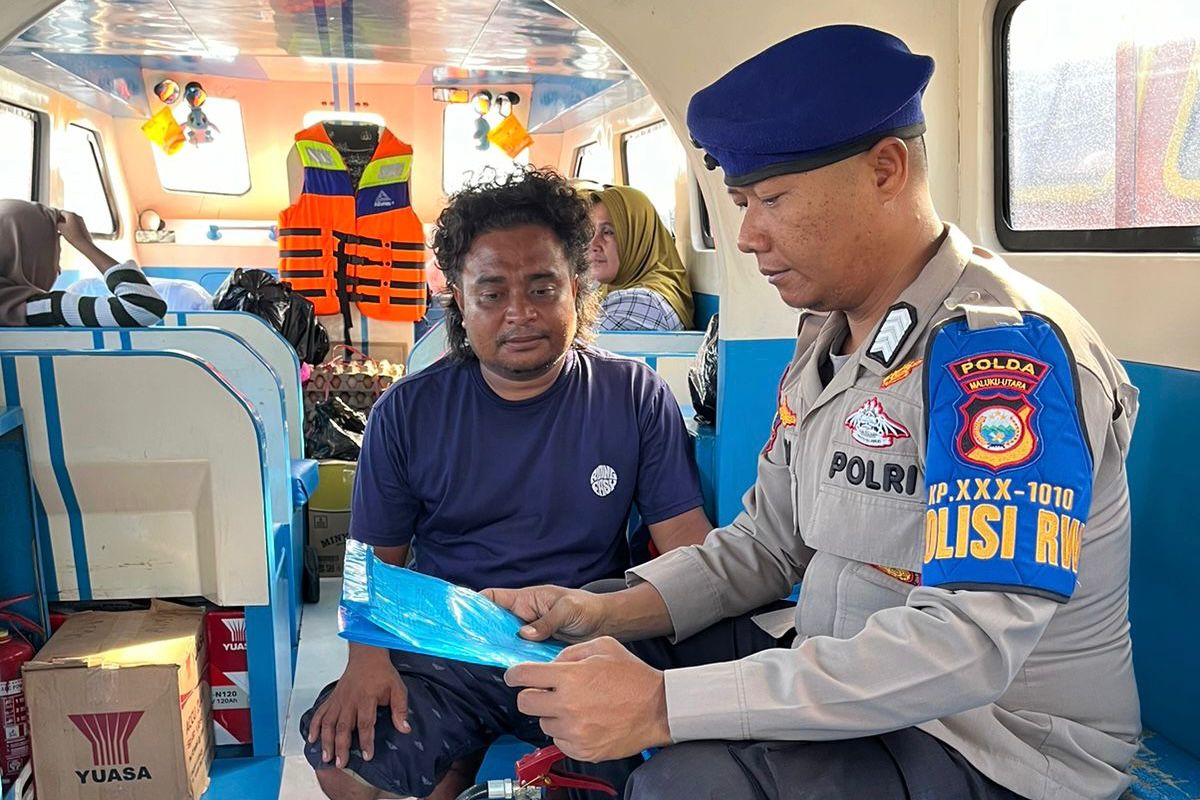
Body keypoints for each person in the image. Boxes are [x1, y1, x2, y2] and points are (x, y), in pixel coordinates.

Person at [491, 25, 1141, 800]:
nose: (748, 235)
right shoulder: (827, 341)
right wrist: (599, 611)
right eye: (739, 201)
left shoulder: (999, 362)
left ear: (886, 171)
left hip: (992, 741)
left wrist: (667, 708)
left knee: (688, 785)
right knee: (573, 666)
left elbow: (969, 643)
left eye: (772, 199)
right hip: (852, 677)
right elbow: (767, 546)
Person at [301, 167, 713, 800]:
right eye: (491, 293)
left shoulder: (634, 397)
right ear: (460, 304)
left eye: (543, 287)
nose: (520, 313)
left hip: (582, 640)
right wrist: (365, 659)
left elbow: (690, 552)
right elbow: (369, 562)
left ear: (578, 289)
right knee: (346, 761)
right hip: (447, 645)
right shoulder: (405, 412)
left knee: (640, 780)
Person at [0, 200, 166, 327]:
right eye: (54, 255)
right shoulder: (35, 309)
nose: (58, 269)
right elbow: (144, 307)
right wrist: (85, 244)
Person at [588, 186, 694, 331]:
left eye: (608, 232)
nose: (593, 244)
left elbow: (567, 351)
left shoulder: (643, 303)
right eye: (590, 232)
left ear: (638, 239)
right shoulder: (610, 288)